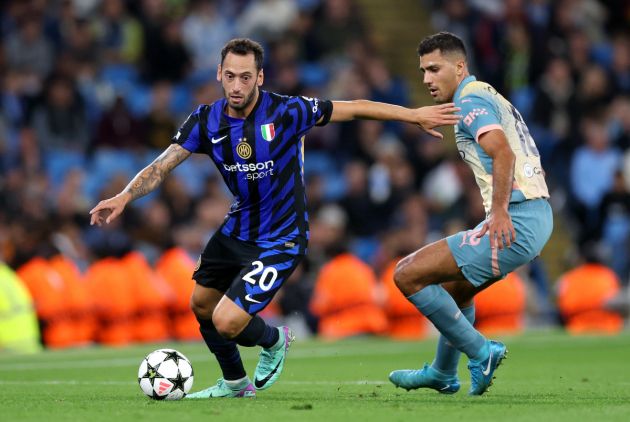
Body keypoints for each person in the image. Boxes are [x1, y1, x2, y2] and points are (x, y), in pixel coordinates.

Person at [89, 38, 460, 399]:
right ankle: (235, 384)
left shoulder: (287, 111)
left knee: (226, 320)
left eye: (246, 77)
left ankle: (275, 340)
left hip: (282, 236)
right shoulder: (205, 120)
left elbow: (356, 107)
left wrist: (412, 115)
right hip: (238, 228)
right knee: (201, 304)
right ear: (219, 73)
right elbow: (163, 164)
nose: (237, 85)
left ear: (260, 77)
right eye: (230, 76)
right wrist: (125, 195)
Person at [388, 32, 553, 396]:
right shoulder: (484, 94)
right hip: (535, 214)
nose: (427, 79)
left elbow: (503, 152)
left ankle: (480, 352)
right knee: (456, 289)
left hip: (517, 216)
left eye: (434, 69)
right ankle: (443, 373)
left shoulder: (470, 98)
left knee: (407, 274)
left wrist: (498, 213)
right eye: (422, 72)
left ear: (459, 66)